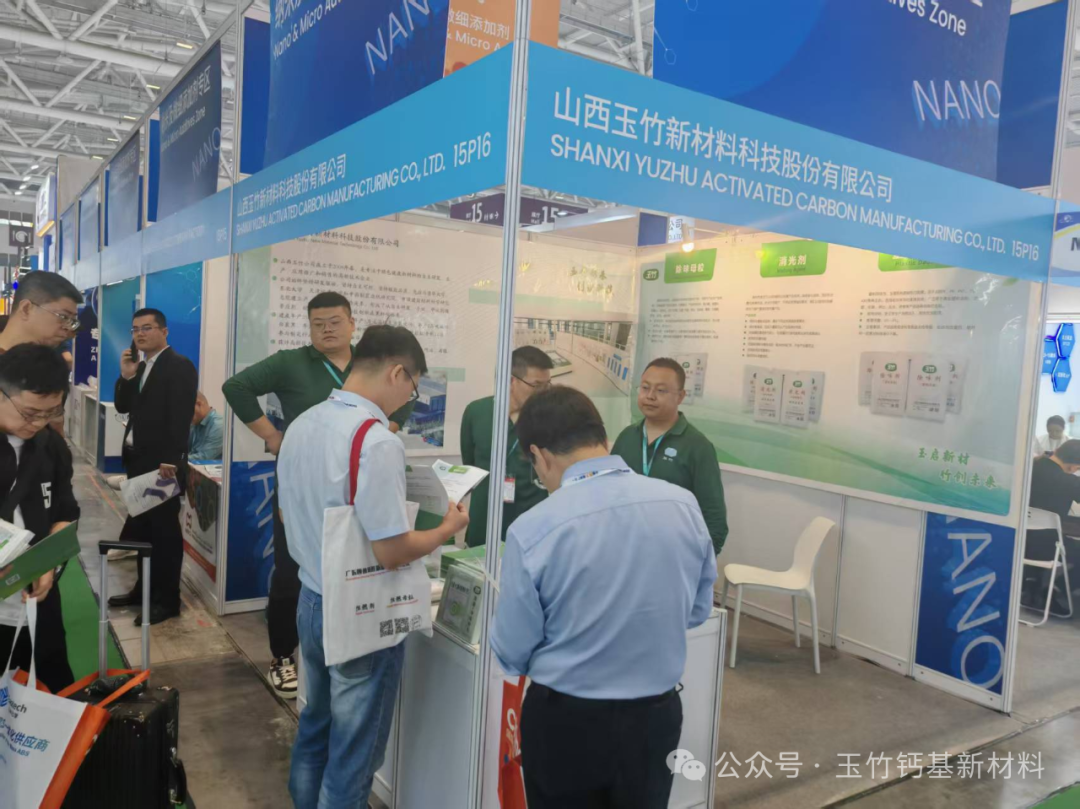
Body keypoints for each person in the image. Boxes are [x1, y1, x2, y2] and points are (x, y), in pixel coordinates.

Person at [491, 386, 716, 809]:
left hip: (566, 722)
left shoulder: (534, 527)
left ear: (539, 455)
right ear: (602, 438)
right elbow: (698, 610)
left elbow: (512, 650)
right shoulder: (682, 504)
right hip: (655, 717)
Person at [277, 324, 469, 809]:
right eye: (413, 387)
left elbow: (287, 510)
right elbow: (392, 551)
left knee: (315, 727)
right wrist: (447, 529)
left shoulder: (303, 423)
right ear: (397, 372)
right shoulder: (377, 441)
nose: (408, 400)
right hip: (361, 612)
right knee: (354, 753)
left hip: (311, 597)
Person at [222, 292, 414, 698]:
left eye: (335, 321)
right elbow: (236, 387)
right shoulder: (291, 362)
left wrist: (383, 429)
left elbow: (405, 399)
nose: (327, 330)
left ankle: (343, 649)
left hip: (354, 484)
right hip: (303, 484)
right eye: (318, 323)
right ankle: (282, 655)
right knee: (291, 569)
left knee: (360, 564)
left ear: (352, 323)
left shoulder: (369, 362)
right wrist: (272, 435)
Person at [108, 308, 198, 626]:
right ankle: (143, 590)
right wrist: (127, 375)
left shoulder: (179, 365)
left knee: (164, 535)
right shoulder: (142, 365)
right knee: (143, 531)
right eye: (135, 329)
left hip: (162, 467)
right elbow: (123, 406)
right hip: (138, 462)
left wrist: (171, 460)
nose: (140, 334)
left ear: (164, 331)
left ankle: (167, 600)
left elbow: (180, 416)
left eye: (147, 328)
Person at [0, 344, 81, 692]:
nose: (37, 423)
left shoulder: (52, 447)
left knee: (50, 685)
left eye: (50, 413)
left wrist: (47, 564)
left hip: (37, 602)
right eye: (29, 412)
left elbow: (65, 513)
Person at [611, 358, 728, 555]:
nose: (650, 396)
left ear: (680, 396)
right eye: (645, 388)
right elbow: (609, 492)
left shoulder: (698, 446)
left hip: (672, 554)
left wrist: (700, 562)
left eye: (661, 390)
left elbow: (714, 517)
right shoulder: (627, 437)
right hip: (624, 548)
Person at [459, 346, 554, 547]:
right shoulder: (477, 412)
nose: (545, 393)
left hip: (531, 531)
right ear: (511, 381)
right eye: (537, 385)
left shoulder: (550, 419)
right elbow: (470, 466)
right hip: (483, 527)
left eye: (548, 385)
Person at [1026, 440, 1080, 612]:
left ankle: (1029, 585)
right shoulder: (1070, 481)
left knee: (1041, 536)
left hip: (1018, 541)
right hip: (1048, 546)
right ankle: (1055, 590)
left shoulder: (1029, 466)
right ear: (1073, 466)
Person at [0, 271, 82, 353]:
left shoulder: (50, 358)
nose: (68, 328)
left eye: (72, 321)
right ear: (26, 309)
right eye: (63, 317)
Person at [189, 392, 224, 462]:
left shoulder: (218, 425)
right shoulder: (196, 422)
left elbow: (204, 457)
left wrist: (175, 460)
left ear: (198, 404)